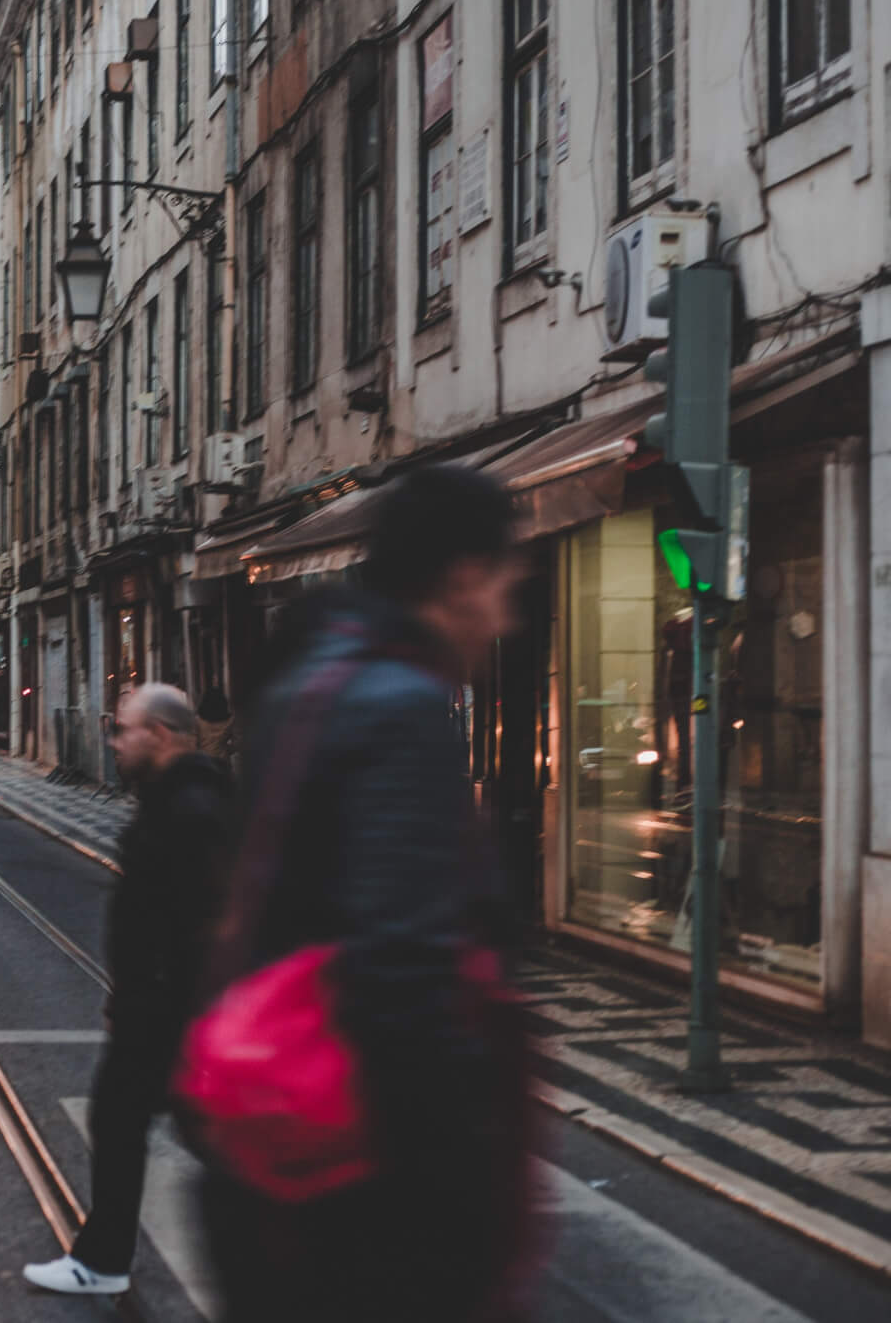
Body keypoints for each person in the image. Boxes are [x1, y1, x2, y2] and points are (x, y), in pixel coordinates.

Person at [195, 465, 535, 1322]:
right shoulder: (400, 705)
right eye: (505, 585)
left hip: (273, 1154)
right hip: (361, 1174)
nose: (509, 616)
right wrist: (460, 1215)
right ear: (461, 578)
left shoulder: (310, 679)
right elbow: (403, 971)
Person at [23, 683, 234, 1297]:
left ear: (161, 735)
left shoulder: (190, 808)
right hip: (164, 1006)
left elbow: (199, 916)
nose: (113, 741)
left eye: (124, 730)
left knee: (126, 1122)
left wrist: (161, 998)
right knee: (182, 1130)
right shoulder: (176, 797)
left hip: (172, 1010)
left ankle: (106, 1260)